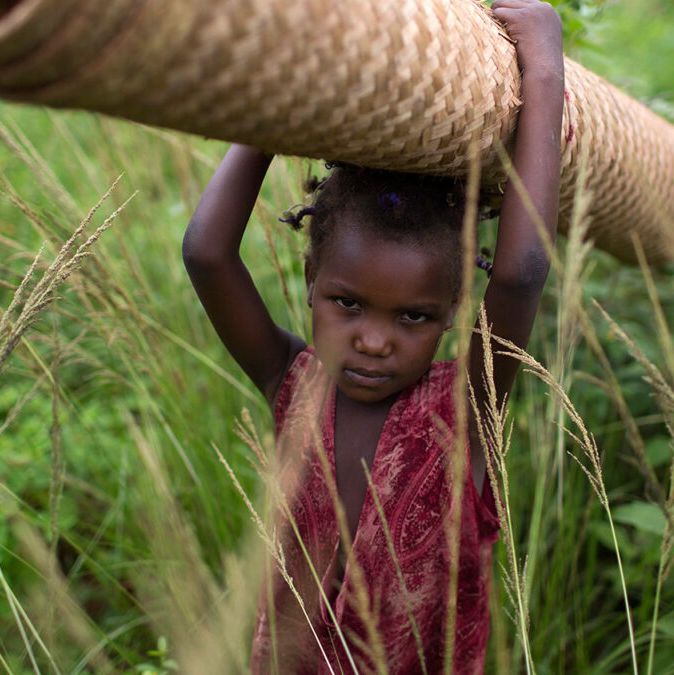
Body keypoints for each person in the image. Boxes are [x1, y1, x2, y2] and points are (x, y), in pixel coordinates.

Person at [182, 1, 563, 671]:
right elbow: (207, 254)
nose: (374, 340)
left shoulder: (464, 410)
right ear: (310, 280)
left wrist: (544, 70)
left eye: (411, 316)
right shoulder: (291, 381)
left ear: (453, 309)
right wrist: (277, 110)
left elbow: (522, 273)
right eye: (348, 303)